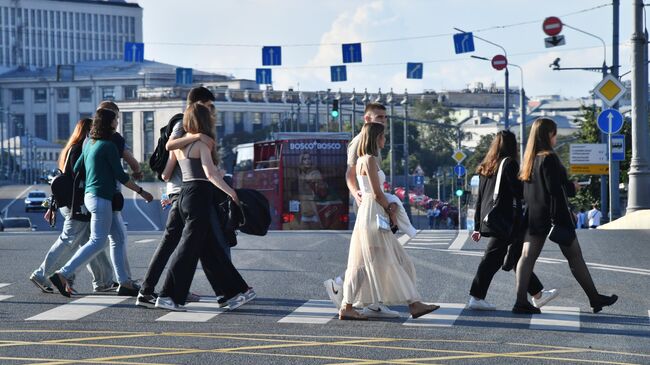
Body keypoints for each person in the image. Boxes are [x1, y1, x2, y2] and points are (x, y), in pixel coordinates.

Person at [155, 103, 254, 311]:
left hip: (185, 195)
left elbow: (167, 167)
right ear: (205, 121)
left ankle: (232, 293)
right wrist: (231, 192)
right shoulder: (203, 144)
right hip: (199, 195)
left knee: (210, 249)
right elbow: (211, 174)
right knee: (187, 252)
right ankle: (167, 296)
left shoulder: (180, 145)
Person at [514, 117, 617, 314]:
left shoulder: (529, 159)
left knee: (526, 258)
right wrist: (573, 187)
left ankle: (520, 301)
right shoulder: (549, 158)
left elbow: (527, 190)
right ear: (549, 135)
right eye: (555, 134)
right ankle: (594, 298)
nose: (556, 138)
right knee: (575, 257)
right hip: (555, 215)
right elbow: (555, 189)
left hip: (534, 215)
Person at [48, 108, 154, 298]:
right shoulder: (107, 146)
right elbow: (120, 176)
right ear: (109, 123)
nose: (117, 123)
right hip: (102, 198)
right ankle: (63, 273)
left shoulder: (89, 143)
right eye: (115, 120)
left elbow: (78, 167)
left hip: (91, 196)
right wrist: (142, 191)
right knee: (97, 241)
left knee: (119, 237)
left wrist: (95, 172)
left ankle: (125, 283)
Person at [339, 122, 439, 320]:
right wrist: (390, 211)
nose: (385, 140)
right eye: (383, 136)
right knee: (398, 259)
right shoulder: (369, 159)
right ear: (376, 138)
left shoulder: (362, 159)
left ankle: (347, 306)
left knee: (362, 262)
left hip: (368, 212)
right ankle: (414, 304)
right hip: (373, 211)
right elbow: (377, 193)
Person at [324, 103, 415, 319]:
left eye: (384, 117)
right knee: (371, 254)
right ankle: (342, 286)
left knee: (376, 255)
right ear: (367, 119)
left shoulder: (374, 146)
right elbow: (350, 173)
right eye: (379, 117)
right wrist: (356, 192)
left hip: (374, 205)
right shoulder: (359, 142)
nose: (383, 121)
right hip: (369, 207)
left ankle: (371, 301)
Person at [136, 86, 220, 308]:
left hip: (185, 190)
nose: (212, 111)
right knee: (179, 243)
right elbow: (170, 145)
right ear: (199, 104)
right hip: (183, 190)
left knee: (186, 243)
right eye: (209, 106)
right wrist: (199, 135)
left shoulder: (192, 125)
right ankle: (155, 291)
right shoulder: (183, 122)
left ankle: (171, 290)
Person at [468, 130, 558, 311]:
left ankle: (537, 294)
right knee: (493, 258)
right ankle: (476, 297)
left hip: (490, 218)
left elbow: (479, 199)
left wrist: (477, 225)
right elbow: (518, 191)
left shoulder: (486, 166)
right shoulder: (508, 164)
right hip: (506, 220)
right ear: (511, 146)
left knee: (514, 256)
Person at [29, 119, 115, 294]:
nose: (95, 134)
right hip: (76, 204)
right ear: (87, 131)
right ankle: (41, 275)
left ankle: (104, 281)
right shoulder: (79, 149)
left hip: (75, 202)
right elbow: (78, 180)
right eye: (93, 130)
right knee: (69, 241)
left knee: (93, 242)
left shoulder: (72, 149)